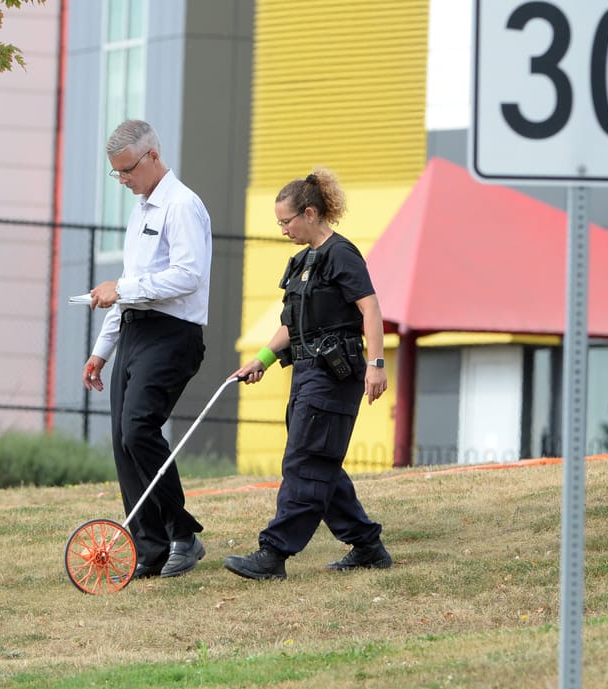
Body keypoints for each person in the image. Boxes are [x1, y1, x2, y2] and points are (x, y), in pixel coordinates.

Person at [224, 167, 392, 581]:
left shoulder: (341, 254)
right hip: (305, 371)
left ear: (311, 214)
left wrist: (376, 364)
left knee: (305, 460)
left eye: (286, 221)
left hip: (333, 374)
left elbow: (370, 308)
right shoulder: (302, 262)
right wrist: (262, 360)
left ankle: (273, 553)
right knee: (320, 460)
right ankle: (367, 546)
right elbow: (291, 323)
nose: (283, 230)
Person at [82, 119, 212, 579]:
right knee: (123, 439)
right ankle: (150, 547)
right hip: (135, 332)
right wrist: (102, 350)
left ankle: (183, 534)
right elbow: (129, 287)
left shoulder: (183, 205)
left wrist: (121, 288)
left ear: (153, 156)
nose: (122, 180)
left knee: (139, 428)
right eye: (116, 172)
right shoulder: (140, 211)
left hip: (173, 334)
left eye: (127, 170)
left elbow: (188, 275)